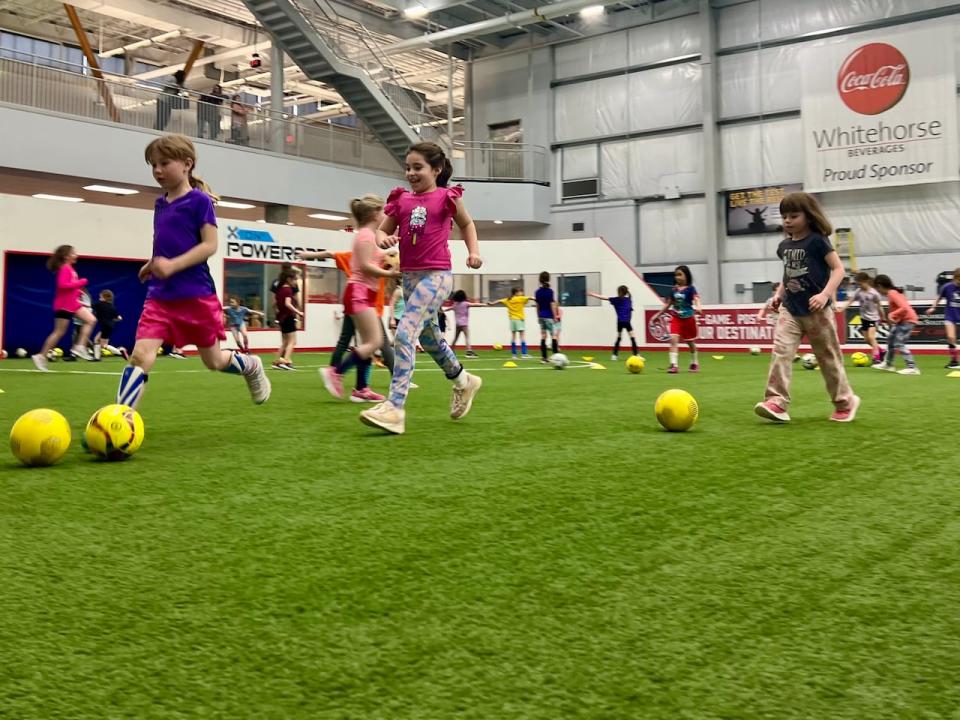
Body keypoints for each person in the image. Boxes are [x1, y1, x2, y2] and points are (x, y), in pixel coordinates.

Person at [114, 134, 270, 411]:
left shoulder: (200, 201)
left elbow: (210, 245)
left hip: (196, 295)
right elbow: (164, 241)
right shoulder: (160, 203)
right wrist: (152, 264)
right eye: (153, 165)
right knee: (140, 356)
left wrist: (172, 265)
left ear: (187, 164)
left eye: (164, 163)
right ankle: (120, 419)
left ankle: (250, 365)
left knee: (214, 362)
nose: (157, 170)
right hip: (160, 297)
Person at [359, 141, 483, 435]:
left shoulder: (446, 197)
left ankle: (395, 408)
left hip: (438, 276)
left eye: (418, 167)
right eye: (408, 167)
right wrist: (382, 239)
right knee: (429, 340)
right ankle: (465, 381)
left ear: (436, 169)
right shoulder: (401, 200)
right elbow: (382, 230)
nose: (411, 173)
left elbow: (467, 224)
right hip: (410, 278)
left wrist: (473, 251)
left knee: (405, 332)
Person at [754, 192, 859, 423]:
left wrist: (824, 295)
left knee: (827, 358)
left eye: (794, 215)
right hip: (790, 309)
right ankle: (776, 402)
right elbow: (787, 275)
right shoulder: (784, 246)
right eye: (784, 216)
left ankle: (845, 401)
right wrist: (778, 295)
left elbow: (839, 270)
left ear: (809, 216)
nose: (788, 220)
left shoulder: (818, 241)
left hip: (817, 311)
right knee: (781, 352)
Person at [321, 194, 401, 403]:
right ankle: (336, 372)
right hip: (359, 293)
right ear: (375, 214)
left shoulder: (369, 235)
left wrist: (387, 256)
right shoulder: (365, 235)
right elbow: (365, 266)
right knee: (375, 341)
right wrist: (390, 274)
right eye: (382, 211)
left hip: (364, 293)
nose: (385, 215)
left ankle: (361, 389)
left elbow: (371, 261)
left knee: (369, 342)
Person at [31, 244, 97, 371]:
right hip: (64, 305)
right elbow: (62, 285)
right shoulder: (65, 268)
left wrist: (78, 294)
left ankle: (80, 346)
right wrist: (81, 282)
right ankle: (41, 355)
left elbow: (69, 288)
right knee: (59, 332)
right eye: (73, 253)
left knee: (91, 320)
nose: (76, 255)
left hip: (73, 304)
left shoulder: (71, 269)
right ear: (66, 256)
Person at [649, 265, 701, 373]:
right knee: (673, 340)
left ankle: (694, 362)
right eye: (676, 275)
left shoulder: (691, 289)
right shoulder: (673, 290)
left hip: (688, 318)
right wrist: (657, 315)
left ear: (686, 276)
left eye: (680, 274)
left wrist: (699, 307)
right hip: (676, 318)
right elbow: (668, 304)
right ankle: (674, 365)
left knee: (690, 343)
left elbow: (696, 298)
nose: (677, 277)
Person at [872, 274, 920, 375]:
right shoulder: (895, 292)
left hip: (908, 321)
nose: (878, 292)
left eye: (876, 288)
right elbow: (902, 308)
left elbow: (904, 307)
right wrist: (896, 318)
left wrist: (891, 314)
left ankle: (912, 367)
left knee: (899, 343)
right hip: (903, 321)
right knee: (890, 340)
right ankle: (888, 364)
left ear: (880, 286)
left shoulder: (892, 293)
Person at [838, 272, 886, 365]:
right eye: (857, 284)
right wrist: (842, 308)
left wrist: (883, 317)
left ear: (866, 281)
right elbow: (850, 301)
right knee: (867, 339)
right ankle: (881, 350)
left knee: (871, 337)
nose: (859, 285)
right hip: (864, 318)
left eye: (860, 283)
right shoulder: (858, 292)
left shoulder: (873, 293)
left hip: (873, 318)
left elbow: (879, 305)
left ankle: (876, 358)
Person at [587, 286, 638, 361]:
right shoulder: (629, 300)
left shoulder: (616, 300)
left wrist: (593, 294)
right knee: (632, 338)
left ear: (619, 292)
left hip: (620, 322)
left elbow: (603, 298)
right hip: (627, 322)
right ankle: (636, 355)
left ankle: (614, 355)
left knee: (619, 338)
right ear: (626, 292)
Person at [925, 266, 960, 369]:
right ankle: (954, 361)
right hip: (950, 315)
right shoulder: (947, 287)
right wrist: (933, 307)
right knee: (951, 337)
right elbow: (938, 298)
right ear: (955, 277)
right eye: (959, 280)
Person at [490, 287, 533, 360]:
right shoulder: (520, 298)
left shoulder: (508, 299)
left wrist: (492, 303)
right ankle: (524, 354)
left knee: (513, 337)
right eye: (520, 292)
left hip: (512, 320)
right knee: (522, 336)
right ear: (516, 293)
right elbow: (531, 298)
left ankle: (514, 355)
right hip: (519, 319)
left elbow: (499, 301)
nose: (521, 293)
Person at [273, 269, 303, 370]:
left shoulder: (280, 289)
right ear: (289, 279)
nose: (295, 282)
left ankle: (276, 362)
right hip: (288, 317)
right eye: (294, 280)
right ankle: (285, 361)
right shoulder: (288, 290)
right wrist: (299, 312)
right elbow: (287, 304)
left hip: (281, 318)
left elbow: (276, 304)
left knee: (285, 342)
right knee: (292, 342)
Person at [92, 289, 127, 360]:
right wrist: (110, 319)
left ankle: (120, 352)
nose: (99, 299)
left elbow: (89, 306)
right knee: (96, 339)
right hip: (110, 326)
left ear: (104, 298)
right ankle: (97, 357)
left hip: (105, 326)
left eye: (100, 297)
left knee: (103, 345)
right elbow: (120, 318)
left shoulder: (99, 304)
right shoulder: (112, 306)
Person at [534, 271, 560, 363]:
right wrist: (555, 316)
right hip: (549, 316)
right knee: (553, 336)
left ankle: (544, 358)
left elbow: (537, 306)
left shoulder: (537, 292)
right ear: (548, 279)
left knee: (543, 336)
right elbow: (552, 305)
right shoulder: (550, 292)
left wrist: (538, 316)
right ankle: (556, 357)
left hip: (541, 316)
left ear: (540, 280)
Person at [449, 289, 483, 357]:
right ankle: (469, 351)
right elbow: (475, 304)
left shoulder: (455, 305)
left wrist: (442, 310)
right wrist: (484, 304)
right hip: (464, 324)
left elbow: (449, 308)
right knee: (467, 337)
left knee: (455, 338)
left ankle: (450, 350)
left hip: (458, 324)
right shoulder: (465, 304)